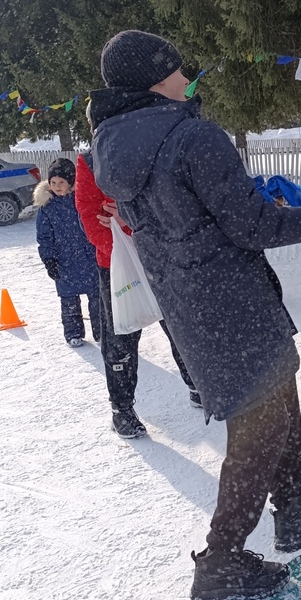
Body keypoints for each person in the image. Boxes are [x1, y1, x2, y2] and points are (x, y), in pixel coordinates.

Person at [89, 30, 301, 600]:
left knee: (278, 401)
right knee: (258, 428)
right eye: (178, 70)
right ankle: (221, 560)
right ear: (156, 80)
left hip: (192, 306)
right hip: (234, 300)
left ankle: (296, 510)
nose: (187, 79)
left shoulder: (113, 144)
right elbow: (251, 226)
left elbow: (191, 215)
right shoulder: (193, 137)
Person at [76, 150, 202, 439]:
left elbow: (168, 207)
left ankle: (198, 386)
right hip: (116, 264)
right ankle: (121, 409)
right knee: (120, 336)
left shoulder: (151, 148)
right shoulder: (91, 161)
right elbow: (90, 214)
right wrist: (125, 253)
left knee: (179, 325)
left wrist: (137, 230)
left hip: (160, 256)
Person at [34, 157, 100, 348]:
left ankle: (101, 331)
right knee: (69, 302)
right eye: (53, 183)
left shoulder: (82, 199)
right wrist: (48, 259)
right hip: (64, 261)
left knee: (97, 299)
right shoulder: (47, 207)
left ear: (71, 181)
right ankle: (74, 333)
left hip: (89, 257)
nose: (57, 186)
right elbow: (44, 237)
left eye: (61, 182)